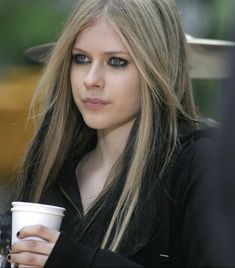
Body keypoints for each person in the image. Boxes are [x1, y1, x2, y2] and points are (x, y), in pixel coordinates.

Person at [4, 0, 224, 267]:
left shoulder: (199, 164)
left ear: (158, 69)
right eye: (81, 59)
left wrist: (77, 261)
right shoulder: (52, 167)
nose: (90, 79)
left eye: (117, 61)